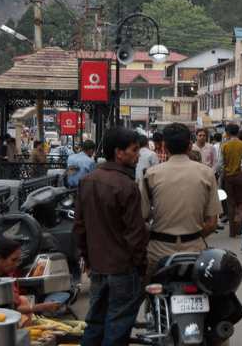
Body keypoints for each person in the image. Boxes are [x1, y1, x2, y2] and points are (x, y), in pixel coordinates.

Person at [74, 127, 148, 345]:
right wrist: (141, 265)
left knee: (95, 322)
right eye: (134, 150)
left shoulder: (88, 181)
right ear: (119, 153)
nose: (137, 155)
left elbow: (79, 227)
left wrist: (87, 258)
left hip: (98, 265)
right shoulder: (127, 186)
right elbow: (135, 233)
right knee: (117, 326)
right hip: (123, 268)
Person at [141, 123, 221, 278]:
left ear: (164, 146)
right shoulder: (207, 173)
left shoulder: (151, 174)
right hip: (195, 251)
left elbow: (141, 218)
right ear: (190, 146)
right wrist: (193, 237)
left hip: (158, 252)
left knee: (146, 292)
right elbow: (212, 224)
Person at [0, 237, 60, 315]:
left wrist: (42, 307)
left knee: (23, 300)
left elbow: (15, 305)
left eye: (18, 260)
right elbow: (7, 311)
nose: (17, 264)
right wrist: (42, 307)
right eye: (13, 260)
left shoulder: (6, 275)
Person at [222, 124, 242, 238]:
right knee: (241, 203)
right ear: (237, 132)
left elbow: (220, 163)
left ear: (227, 133)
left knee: (230, 204)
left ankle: (232, 231)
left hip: (228, 177)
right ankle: (239, 227)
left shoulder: (224, 146)